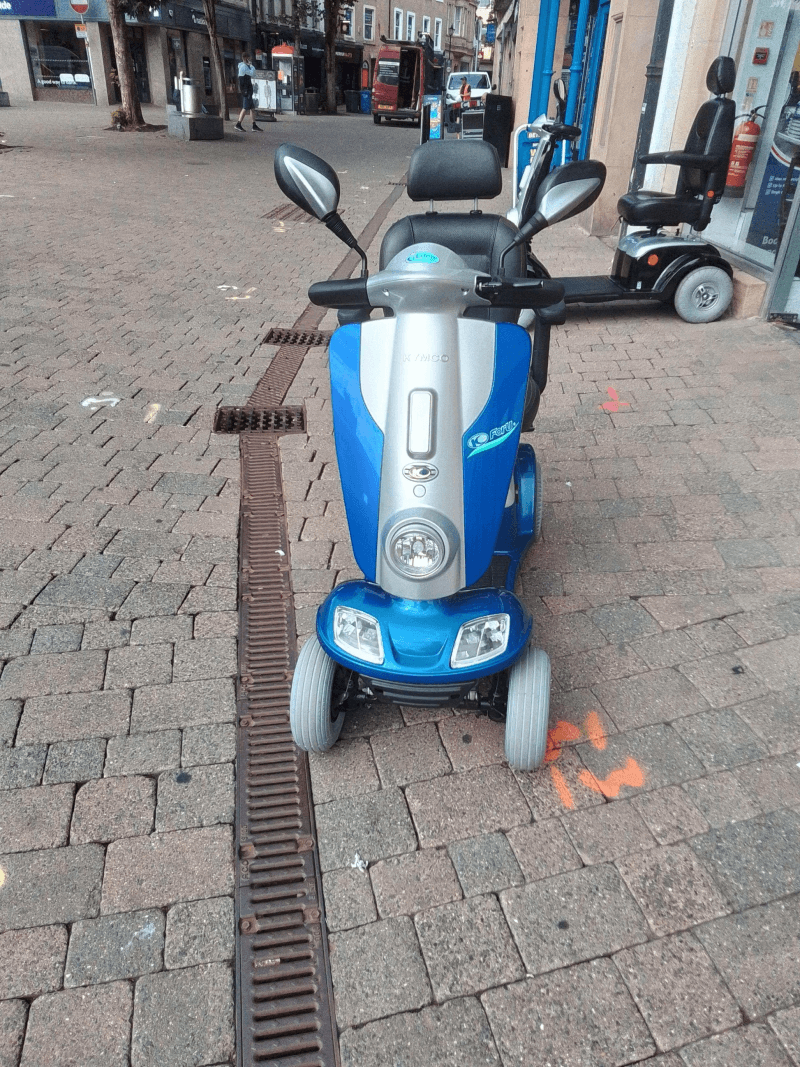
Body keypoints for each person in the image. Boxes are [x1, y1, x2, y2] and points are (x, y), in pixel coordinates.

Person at [235, 53, 261, 132]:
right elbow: (253, 74)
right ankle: (238, 124)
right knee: (245, 108)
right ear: (245, 58)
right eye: (249, 58)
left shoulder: (244, 66)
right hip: (246, 91)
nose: (250, 59)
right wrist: (251, 65)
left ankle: (254, 125)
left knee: (252, 108)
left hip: (247, 90)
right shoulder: (244, 67)